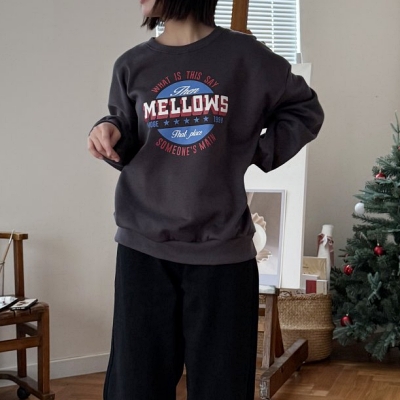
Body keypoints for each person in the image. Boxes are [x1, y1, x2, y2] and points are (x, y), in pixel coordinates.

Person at [88, 0, 324, 399]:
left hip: (223, 255)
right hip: (143, 250)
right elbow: (127, 132)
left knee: (222, 388)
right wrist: (107, 130)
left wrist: (255, 152)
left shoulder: (246, 57)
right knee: (135, 387)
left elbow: (305, 110)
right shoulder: (131, 65)